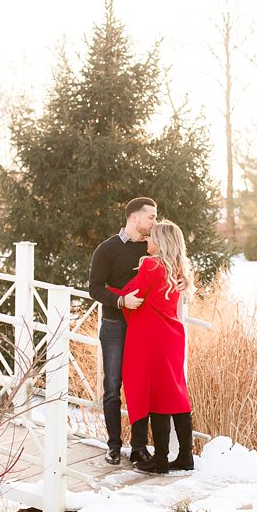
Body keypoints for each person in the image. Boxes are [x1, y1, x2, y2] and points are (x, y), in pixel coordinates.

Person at [107, 219, 195, 475]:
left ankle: (161, 459)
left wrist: (104, 290)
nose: (147, 241)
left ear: (161, 242)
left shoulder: (151, 265)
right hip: (173, 335)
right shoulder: (178, 268)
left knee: (156, 395)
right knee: (176, 394)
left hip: (151, 337)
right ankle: (186, 457)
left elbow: (133, 293)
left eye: (151, 238)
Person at [88, 197, 156, 465]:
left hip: (143, 326)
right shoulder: (108, 249)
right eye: (151, 216)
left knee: (140, 386)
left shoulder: (153, 248)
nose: (154, 221)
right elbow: (94, 288)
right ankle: (114, 445)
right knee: (113, 385)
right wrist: (120, 301)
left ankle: (139, 447)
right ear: (134, 217)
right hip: (115, 326)